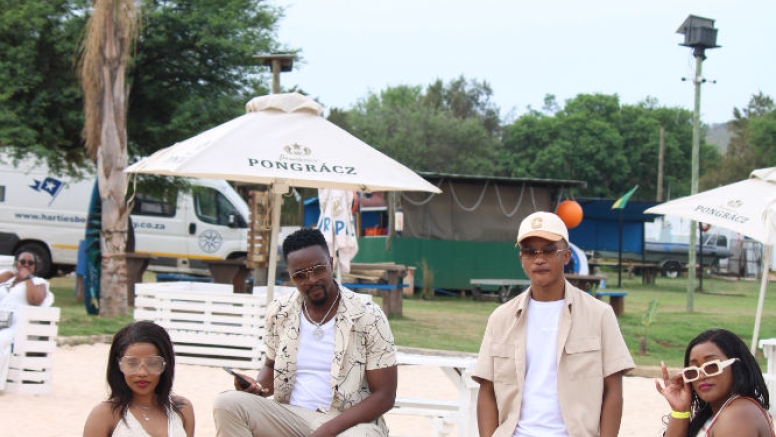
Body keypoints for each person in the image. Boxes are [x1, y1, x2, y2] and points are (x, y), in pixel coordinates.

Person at [213, 227, 397, 437]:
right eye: (300, 275)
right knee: (227, 403)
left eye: (318, 269)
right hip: (291, 417)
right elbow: (271, 366)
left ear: (331, 262)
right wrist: (256, 387)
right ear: (290, 275)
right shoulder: (281, 311)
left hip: (350, 424)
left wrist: (328, 430)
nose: (311, 280)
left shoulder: (367, 315)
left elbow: (385, 395)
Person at [472, 211, 635, 437]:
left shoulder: (599, 315)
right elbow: (487, 389)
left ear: (566, 256)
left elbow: (613, 388)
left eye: (549, 250)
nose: (539, 259)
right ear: (521, 259)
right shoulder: (501, 318)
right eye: (530, 251)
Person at [82, 321, 195, 437]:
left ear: (165, 364)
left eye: (152, 363)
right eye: (132, 363)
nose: (142, 372)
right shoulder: (104, 415)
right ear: (119, 364)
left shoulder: (182, 409)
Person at [656, 328, 775, 437]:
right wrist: (680, 411)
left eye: (712, 366)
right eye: (693, 371)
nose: (701, 376)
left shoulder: (736, 415)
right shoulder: (716, 413)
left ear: (737, 366)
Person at [0, 251, 54, 390]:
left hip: (16, 327)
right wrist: (12, 276)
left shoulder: (38, 282)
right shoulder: (9, 280)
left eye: (30, 263)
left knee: (1, 340)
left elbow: (35, 300)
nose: (26, 265)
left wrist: (28, 278)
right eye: (23, 261)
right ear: (16, 264)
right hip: (2, 321)